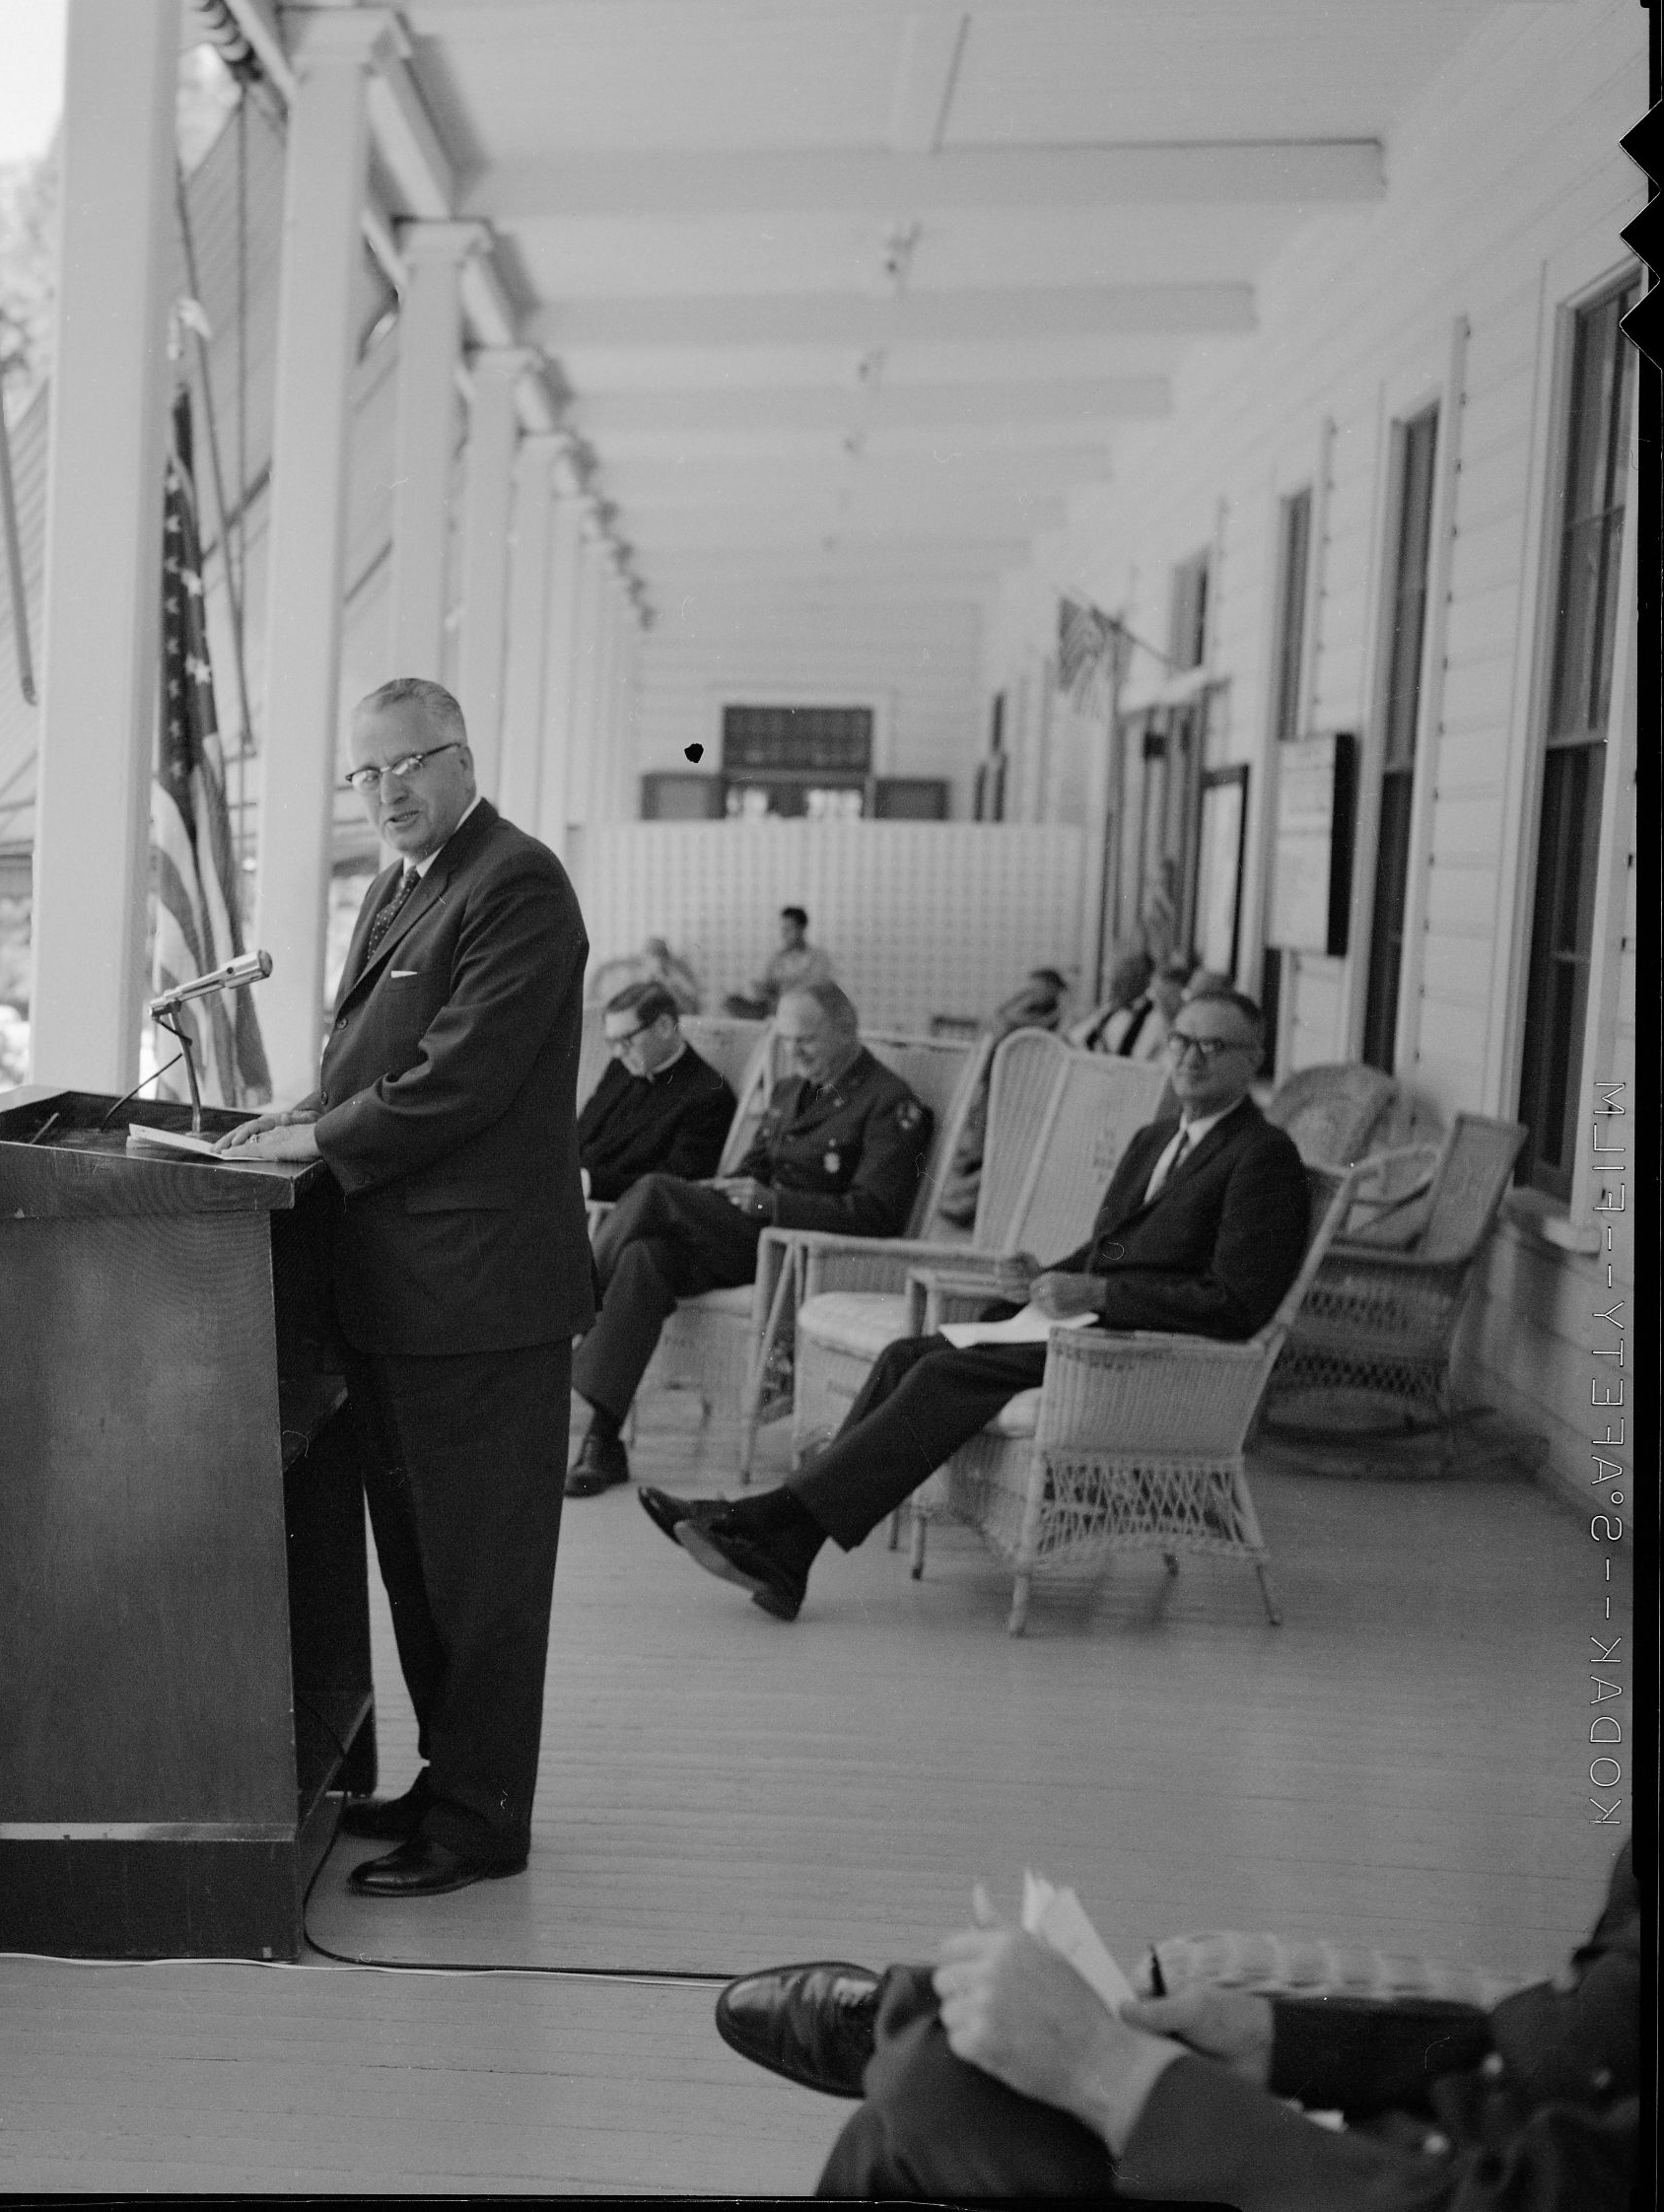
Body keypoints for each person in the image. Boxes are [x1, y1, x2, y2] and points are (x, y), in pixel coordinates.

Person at [221, 676, 595, 1900]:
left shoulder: (515, 883)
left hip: (481, 1303)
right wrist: (298, 1113)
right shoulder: (400, 885)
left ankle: (484, 1821)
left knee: (481, 1579)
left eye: (407, 763)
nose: (385, 791)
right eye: (365, 773)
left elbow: (458, 1077)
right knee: (424, 1572)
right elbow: (371, 1060)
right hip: (398, 1295)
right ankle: (450, 1780)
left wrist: (318, 1139)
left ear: (461, 759)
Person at [640, 987, 1306, 1620]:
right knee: (907, 1355)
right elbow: (1114, 1248)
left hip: (1141, 1351)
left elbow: (1235, 1304)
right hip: (1084, 1326)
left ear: (1253, 1060)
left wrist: (1102, 1292)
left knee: (940, 1371)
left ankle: (765, 1523)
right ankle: (787, 1552)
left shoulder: (1262, 1158)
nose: (1191, 1058)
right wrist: (1045, 1277)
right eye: (1182, 1040)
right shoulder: (1155, 1140)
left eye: (1214, 1046)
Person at [713, 1835, 1639, 2206]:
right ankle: (931, 2021)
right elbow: (1563, 2029)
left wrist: (1113, 2076)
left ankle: (910, 2019)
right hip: (1417, 2127)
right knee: (940, 2090)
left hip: (1386, 2187)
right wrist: (1284, 2043)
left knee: (929, 2089)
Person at [567, 981, 933, 1495]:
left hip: (798, 1252)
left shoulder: (889, 1103)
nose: (794, 1052)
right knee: (645, 1257)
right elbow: (754, 1170)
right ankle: (602, 1444)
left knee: (654, 1191)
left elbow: (876, 1214)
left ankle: (568, 1307)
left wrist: (770, 1203)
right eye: (786, 1040)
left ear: (847, 1029)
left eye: (806, 1039)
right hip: (746, 1236)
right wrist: (733, 1190)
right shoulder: (790, 1091)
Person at [933, 967, 1073, 1230]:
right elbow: (1001, 1020)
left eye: (1038, 987)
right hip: (998, 1082)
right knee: (984, 1143)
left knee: (1000, 1148)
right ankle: (964, 1198)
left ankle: (968, 1202)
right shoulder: (1023, 1007)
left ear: (1053, 989)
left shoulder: (1051, 1016)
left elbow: (1015, 1024)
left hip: (1024, 1087)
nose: (1032, 992)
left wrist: (1057, 1009)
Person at [578, 981, 736, 1204]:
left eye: (626, 1040)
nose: (618, 1053)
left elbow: (672, 1185)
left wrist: (588, 1183)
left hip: (619, 1211)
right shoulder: (621, 1067)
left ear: (664, 1026)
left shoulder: (709, 1094)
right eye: (612, 1042)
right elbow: (581, 1133)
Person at [722, 905, 835, 1019]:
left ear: (801, 928)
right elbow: (764, 983)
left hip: (801, 1008)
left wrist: (786, 989)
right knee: (731, 1002)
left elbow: (817, 989)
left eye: (788, 929)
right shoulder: (777, 957)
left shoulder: (818, 957)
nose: (784, 934)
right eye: (783, 929)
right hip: (773, 1005)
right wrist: (762, 989)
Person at [1066, 949, 1157, 1056]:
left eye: (1134, 975)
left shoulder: (1154, 1016)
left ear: (1147, 980)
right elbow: (1073, 1039)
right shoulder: (1109, 1009)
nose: (1124, 978)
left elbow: (1138, 1059)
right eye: (1122, 972)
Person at [1125, 950, 1201, 1063]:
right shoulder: (1153, 1019)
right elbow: (1138, 1056)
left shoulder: (1190, 1025)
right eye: (1159, 996)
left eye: (1169, 996)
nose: (1163, 1003)